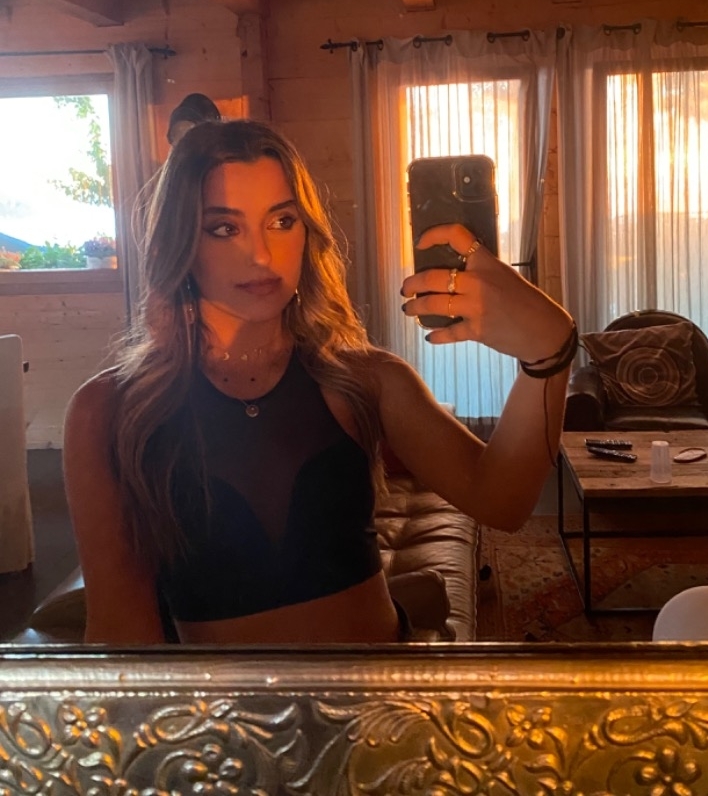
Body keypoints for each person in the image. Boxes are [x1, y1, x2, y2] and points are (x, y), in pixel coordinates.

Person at [64, 119, 577, 645]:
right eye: (224, 228)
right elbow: (120, 635)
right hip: (223, 701)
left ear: (307, 233)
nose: (261, 255)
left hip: (379, 688)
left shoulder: (365, 378)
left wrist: (548, 352)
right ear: (180, 242)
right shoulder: (109, 411)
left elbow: (502, 502)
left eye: (282, 221)